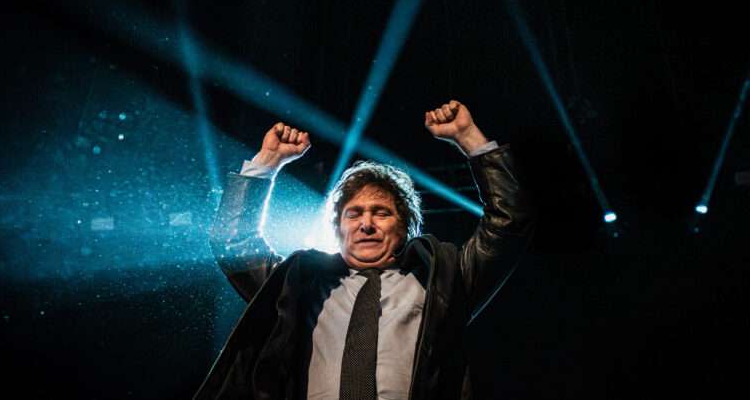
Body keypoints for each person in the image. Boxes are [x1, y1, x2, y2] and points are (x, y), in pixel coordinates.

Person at [193, 100, 534, 400]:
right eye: (353, 213)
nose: (366, 224)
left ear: (405, 228)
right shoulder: (298, 286)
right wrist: (266, 162)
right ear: (338, 227)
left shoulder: (442, 282)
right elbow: (234, 243)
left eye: (381, 213)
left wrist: (470, 139)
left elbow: (508, 223)